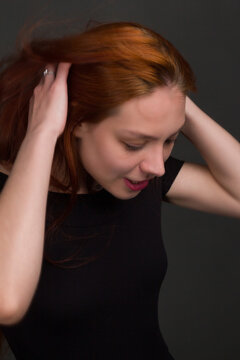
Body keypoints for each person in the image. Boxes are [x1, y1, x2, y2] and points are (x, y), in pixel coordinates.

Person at [0, 20, 239, 360]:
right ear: (75, 118)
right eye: (133, 143)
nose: (156, 165)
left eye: (169, 140)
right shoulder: (10, 198)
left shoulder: (141, 175)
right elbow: (6, 300)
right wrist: (43, 130)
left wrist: (172, 99)